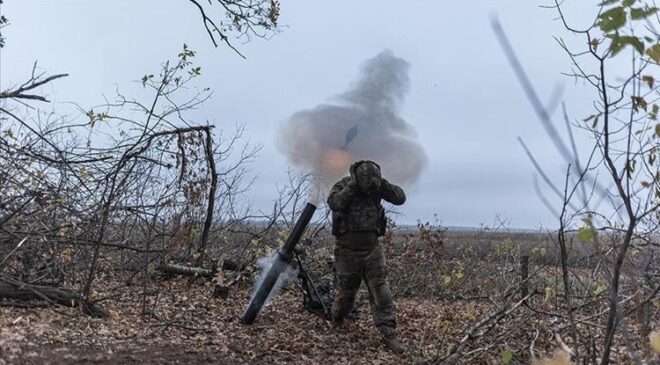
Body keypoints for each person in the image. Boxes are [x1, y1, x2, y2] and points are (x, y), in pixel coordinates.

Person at [326, 160, 407, 353]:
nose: (369, 187)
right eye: (366, 182)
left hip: (372, 249)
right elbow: (334, 203)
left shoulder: (377, 187)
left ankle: (388, 335)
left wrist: (382, 184)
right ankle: (337, 320)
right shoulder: (344, 185)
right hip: (347, 252)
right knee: (346, 296)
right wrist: (353, 185)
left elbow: (400, 198)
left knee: (381, 292)